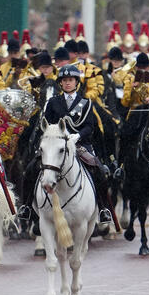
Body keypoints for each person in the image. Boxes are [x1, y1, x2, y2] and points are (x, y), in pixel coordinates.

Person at [37, 65, 114, 225]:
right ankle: (28, 208)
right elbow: (47, 124)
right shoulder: (53, 102)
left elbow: (90, 127)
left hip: (81, 144)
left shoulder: (85, 103)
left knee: (98, 169)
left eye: (70, 80)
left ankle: (103, 209)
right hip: (56, 145)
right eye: (64, 81)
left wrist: (76, 136)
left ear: (76, 82)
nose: (67, 83)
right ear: (60, 83)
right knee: (32, 168)